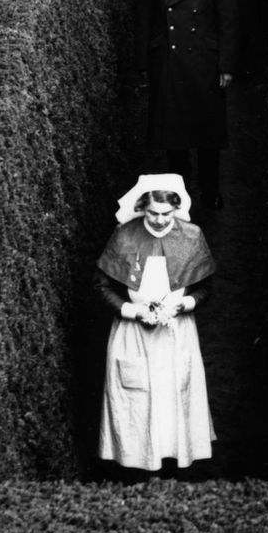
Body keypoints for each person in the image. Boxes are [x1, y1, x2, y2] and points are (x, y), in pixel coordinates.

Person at [97, 174, 216, 472]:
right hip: (133, 332)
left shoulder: (192, 236)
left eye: (167, 214)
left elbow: (205, 288)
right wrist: (131, 310)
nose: (161, 220)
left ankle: (176, 459)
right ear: (142, 208)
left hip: (176, 331)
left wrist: (183, 304)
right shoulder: (124, 236)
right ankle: (134, 464)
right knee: (136, 399)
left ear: (176, 209)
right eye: (153, 213)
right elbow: (101, 286)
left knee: (176, 394)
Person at [143, 0, 239, 207]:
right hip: (170, 66)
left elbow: (229, 22)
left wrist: (226, 66)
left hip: (204, 65)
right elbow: (145, 23)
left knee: (207, 136)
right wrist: (149, 66)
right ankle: (179, 198)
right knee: (175, 140)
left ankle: (211, 193)